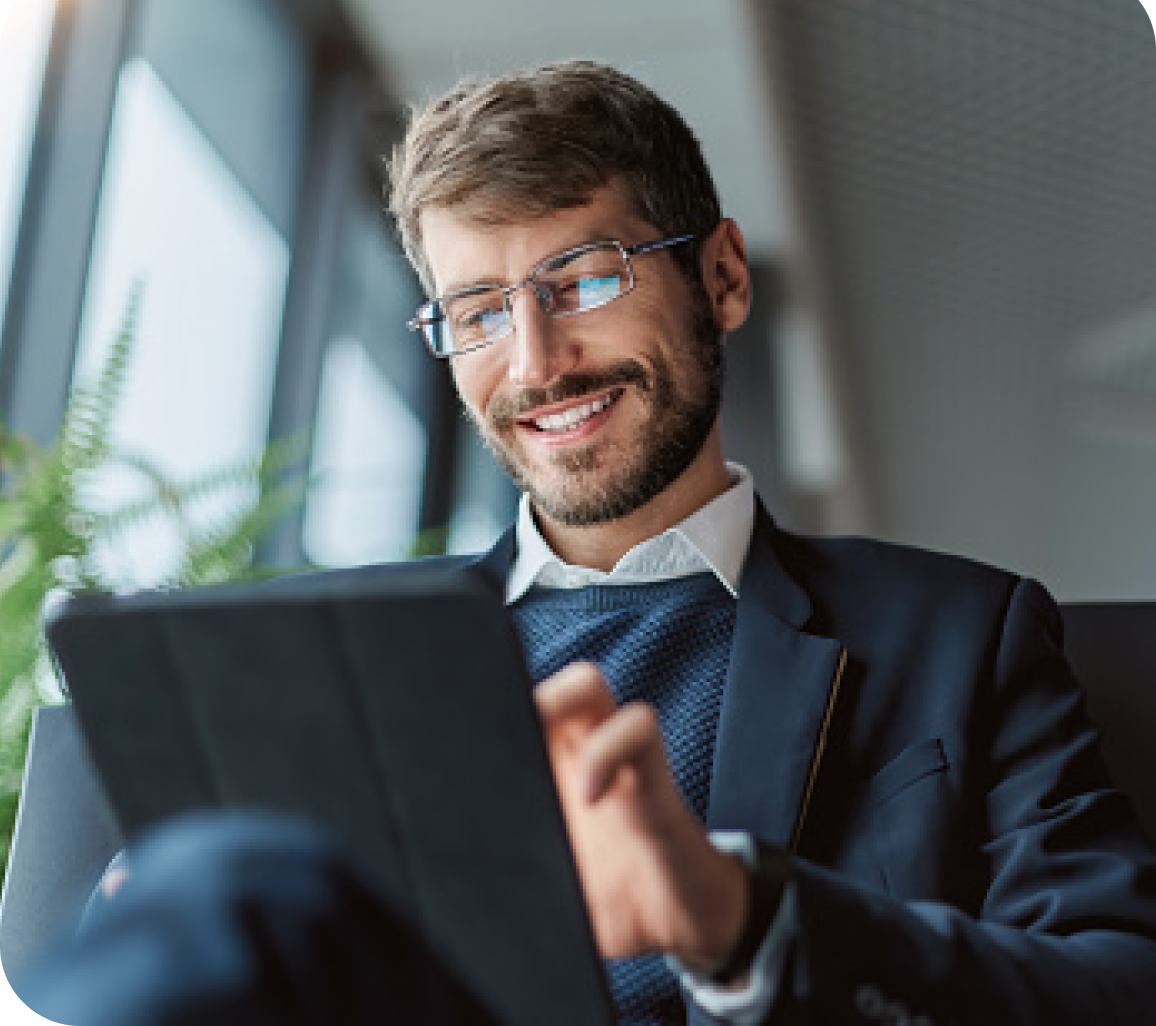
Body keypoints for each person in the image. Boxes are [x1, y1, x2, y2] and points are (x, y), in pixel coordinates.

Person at [16, 58, 1156, 1026]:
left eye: (584, 277)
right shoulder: (331, 660)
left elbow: (1117, 985)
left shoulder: (959, 636)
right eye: (476, 312)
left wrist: (741, 917)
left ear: (720, 276)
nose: (535, 359)